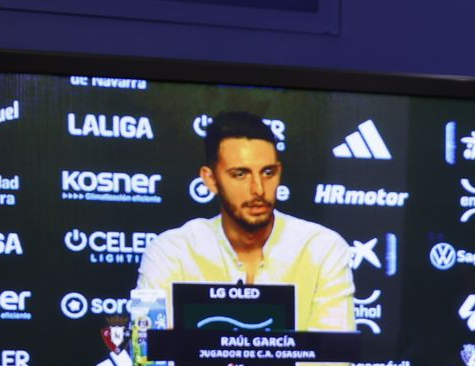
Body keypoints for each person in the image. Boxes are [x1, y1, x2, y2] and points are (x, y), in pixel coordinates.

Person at [135, 111, 354, 332]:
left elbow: (331, 360)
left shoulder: (323, 249)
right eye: (240, 174)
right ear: (210, 179)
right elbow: (145, 352)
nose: (258, 189)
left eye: (268, 172)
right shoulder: (170, 252)